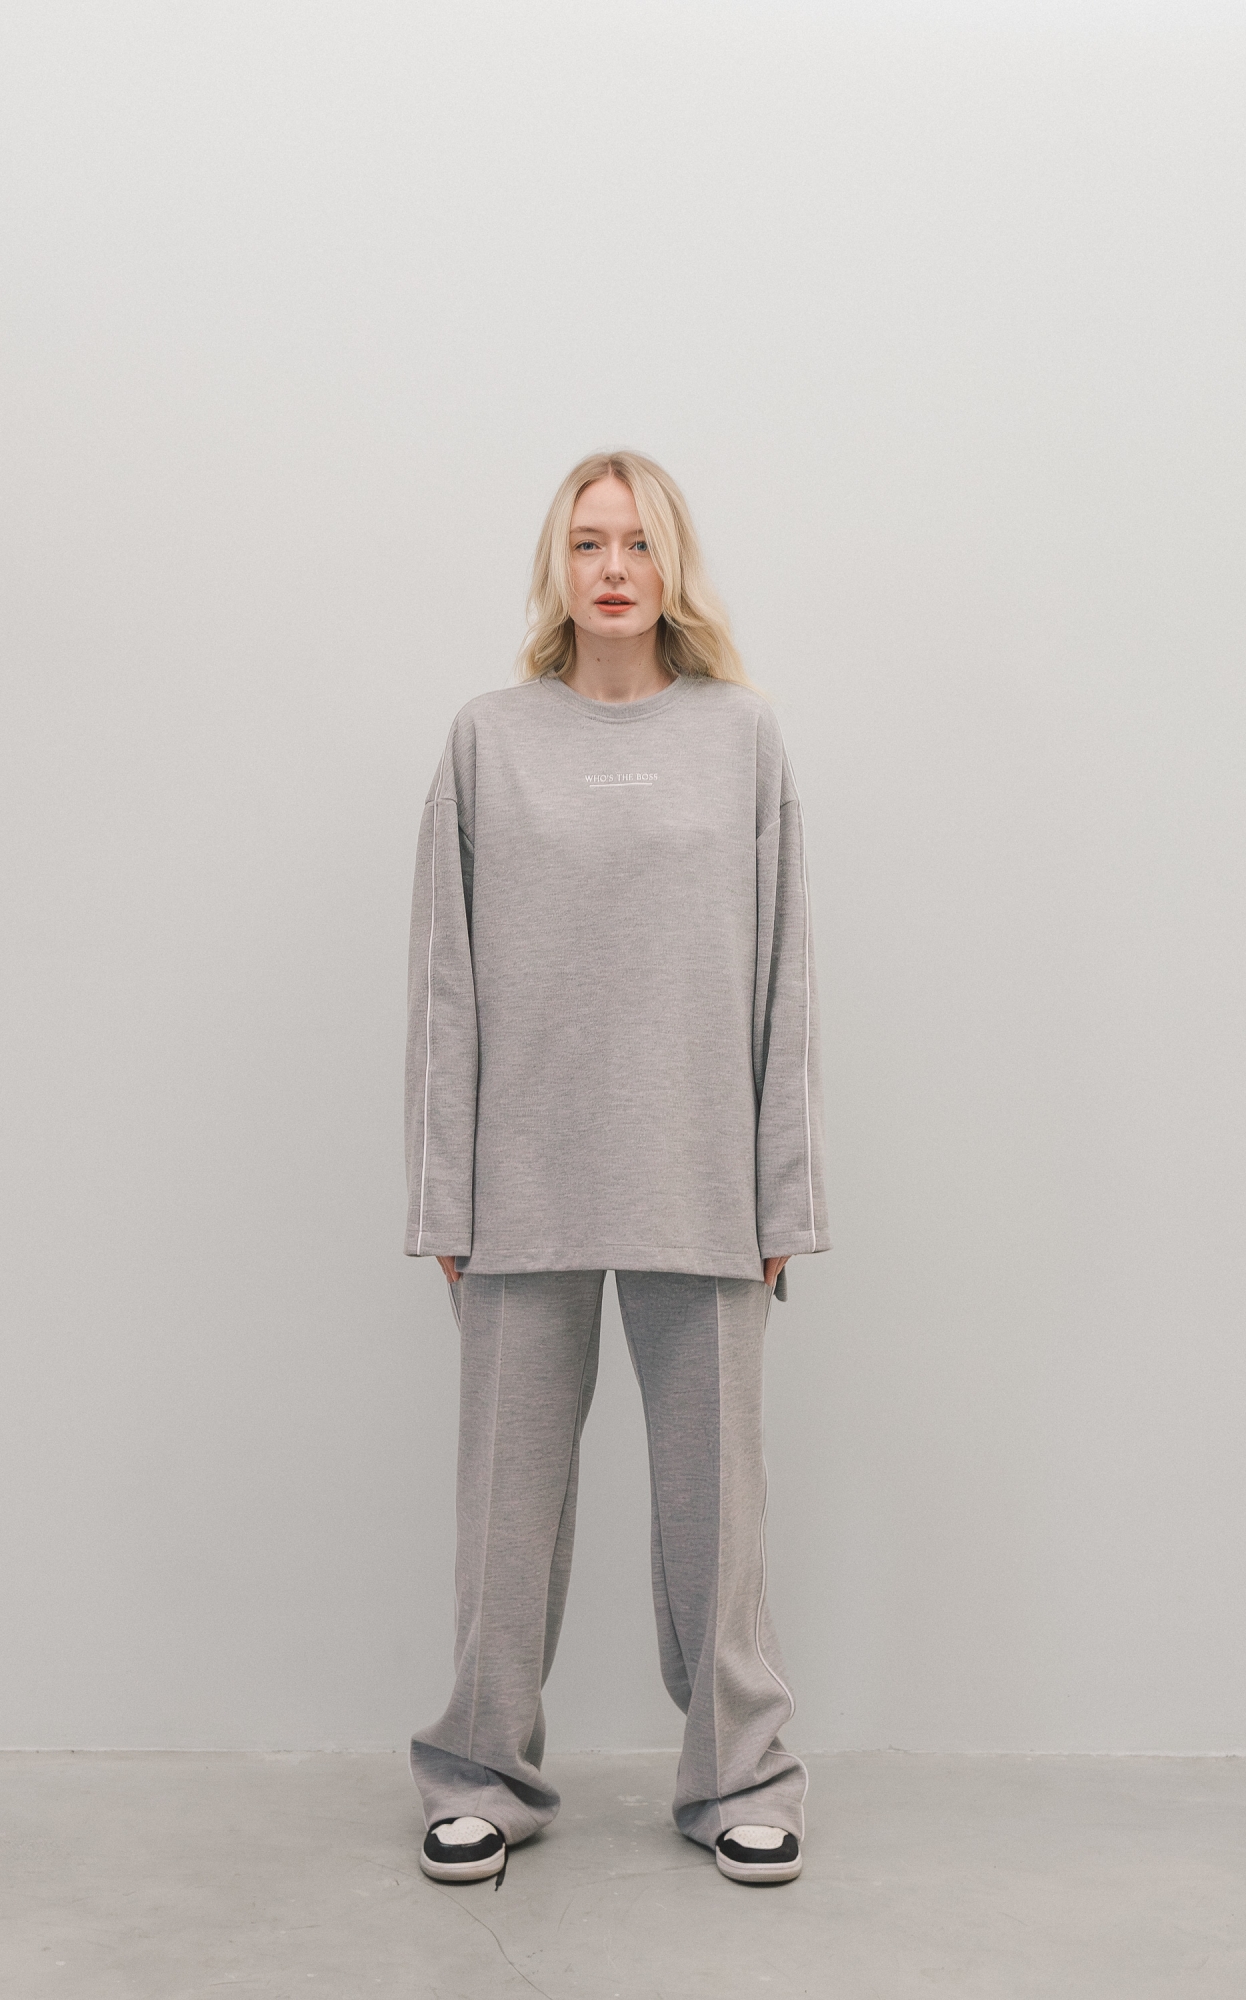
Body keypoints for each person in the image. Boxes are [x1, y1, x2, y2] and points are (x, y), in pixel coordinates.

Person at [403, 451, 830, 1888]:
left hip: (702, 1173)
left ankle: (741, 1778)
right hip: (520, 1176)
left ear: (672, 565)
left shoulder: (743, 739)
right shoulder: (488, 740)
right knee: (504, 1514)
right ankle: (479, 1773)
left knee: (719, 1514)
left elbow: (785, 976)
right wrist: (443, 1193)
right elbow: (445, 980)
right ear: (558, 564)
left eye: (639, 543)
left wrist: (785, 1192)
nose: (613, 568)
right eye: (588, 542)